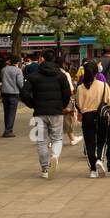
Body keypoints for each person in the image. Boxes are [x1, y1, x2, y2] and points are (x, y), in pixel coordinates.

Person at [22, 49, 72, 179]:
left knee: (41, 141)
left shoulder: (34, 76)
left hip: (39, 112)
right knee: (57, 138)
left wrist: (32, 104)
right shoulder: (61, 76)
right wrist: (62, 105)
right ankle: (55, 156)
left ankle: (44, 169)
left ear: (42, 59)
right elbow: (67, 93)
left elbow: (24, 93)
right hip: (56, 112)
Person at [74, 60, 110, 178]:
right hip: (102, 116)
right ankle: (99, 159)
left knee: (89, 143)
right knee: (101, 140)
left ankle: (93, 169)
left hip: (87, 117)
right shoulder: (103, 85)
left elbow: (78, 104)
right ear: (96, 73)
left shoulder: (80, 88)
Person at [0, 56, 24, 137]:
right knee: (12, 113)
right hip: (14, 93)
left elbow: (1, 79)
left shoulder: (3, 69)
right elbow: (20, 83)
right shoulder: (18, 70)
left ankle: (7, 128)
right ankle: (8, 130)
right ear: (18, 62)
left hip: (4, 92)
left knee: (6, 112)